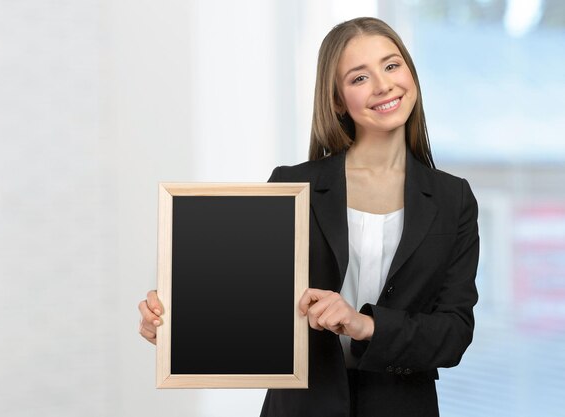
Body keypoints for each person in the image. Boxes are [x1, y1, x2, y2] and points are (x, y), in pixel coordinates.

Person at [138, 16, 479, 417]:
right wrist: (174, 326)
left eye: (391, 65)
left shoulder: (453, 198)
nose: (384, 85)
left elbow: (454, 333)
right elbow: (244, 303)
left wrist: (364, 325)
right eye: (359, 78)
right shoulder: (292, 186)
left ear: (410, 72)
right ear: (337, 100)